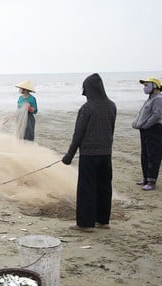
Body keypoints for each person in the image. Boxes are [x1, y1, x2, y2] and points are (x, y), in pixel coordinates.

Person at [62, 73, 116, 232]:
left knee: (87, 189)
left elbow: (78, 135)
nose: (84, 94)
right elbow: (111, 130)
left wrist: (69, 156)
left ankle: (85, 224)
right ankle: (103, 220)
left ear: (90, 90)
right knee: (104, 187)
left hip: (89, 155)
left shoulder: (87, 108)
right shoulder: (112, 105)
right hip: (106, 154)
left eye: (85, 90)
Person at [132, 77, 162, 191]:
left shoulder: (158, 99)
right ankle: (146, 178)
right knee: (145, 155)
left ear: (154, 86)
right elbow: (143, 113)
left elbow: (157, 115)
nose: (145, 88)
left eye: (147, 85)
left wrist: (145, 125)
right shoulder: (151, 98)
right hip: (145, 131)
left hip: (154, 130)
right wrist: (136, 123)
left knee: (153, 156)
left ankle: (151, 182)